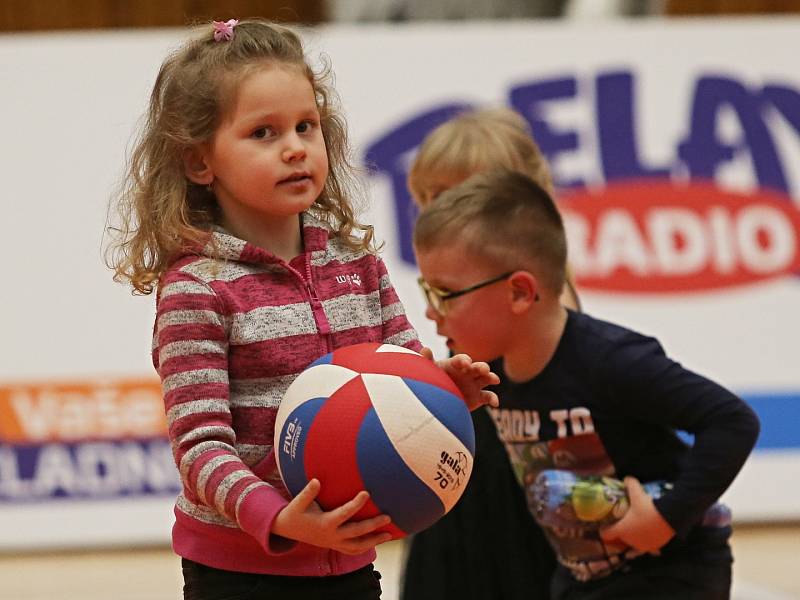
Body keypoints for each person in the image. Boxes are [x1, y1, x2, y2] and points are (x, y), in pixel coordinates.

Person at [106, 19, 498, 600]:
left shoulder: (356, 260)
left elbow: (401, 371)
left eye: (306, 126)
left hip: (349, 556)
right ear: (198, 163)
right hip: (239, 571)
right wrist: (279, 519)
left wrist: (440, 391)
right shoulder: (198, 288)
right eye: (263, 132)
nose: (294, 147)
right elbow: (200, 447)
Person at [413, 169, 760, 600]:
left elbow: (732, 420)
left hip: (671, 574)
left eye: (445, 293)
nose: (431, 312)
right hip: (583, 579)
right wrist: (449, 401)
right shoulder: (490, 371)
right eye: (427, 290)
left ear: (520, 293)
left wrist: (666, 518)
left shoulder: (611, 360)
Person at [402, 107, 571, 600]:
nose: (437, 212)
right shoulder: (457, 289)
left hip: (527, 499)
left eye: (456, 197)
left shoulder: (549, 298)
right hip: (460, 489)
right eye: (428, 198)